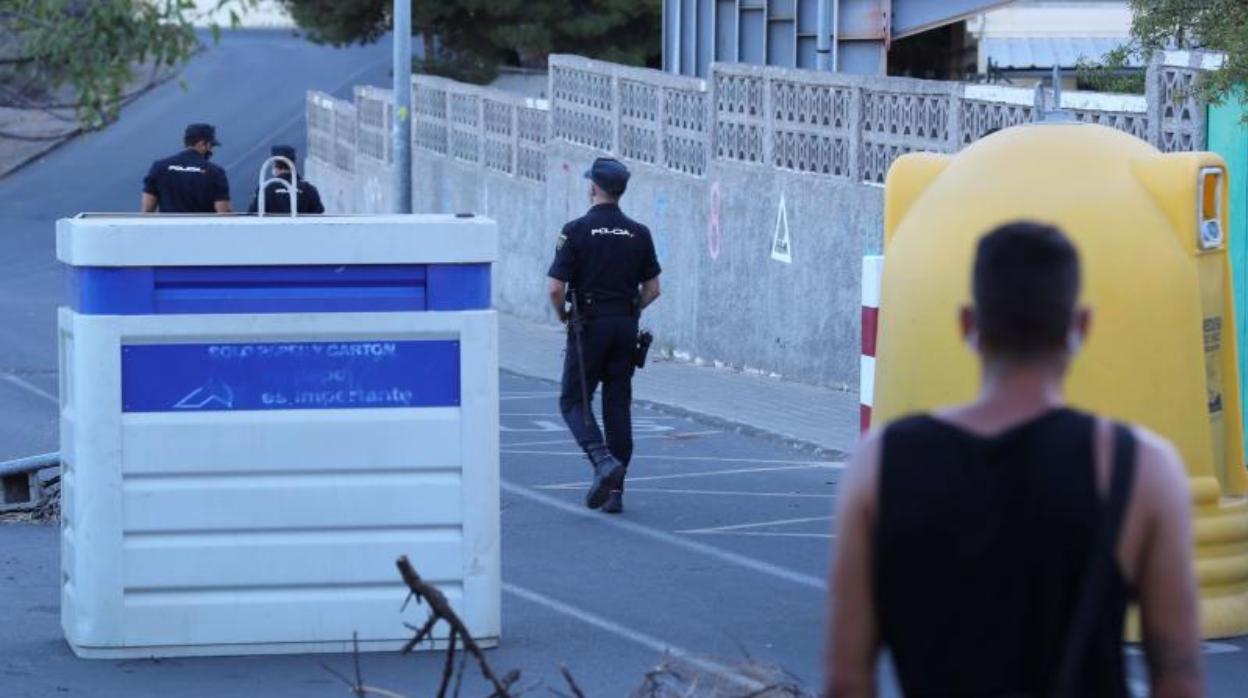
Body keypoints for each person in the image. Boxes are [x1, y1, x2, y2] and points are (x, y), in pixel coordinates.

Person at [825, 222, 1203, 697]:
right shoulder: (1142, 469)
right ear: (1079, 327)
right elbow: (1180, 678)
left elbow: (846, 679)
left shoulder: (879, 464)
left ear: (968, 324)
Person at [546, 157, 662, 514]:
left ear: (593, 187)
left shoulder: (576, 230)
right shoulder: (639, 232)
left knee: (573, 399)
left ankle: (601, 461)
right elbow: (653, 288)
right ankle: (616, 491)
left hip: (590, 325)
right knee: (617, 404)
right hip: (625, 326)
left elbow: (555, 288)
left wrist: (565, 315)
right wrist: (632, 312)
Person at [141, 123, 232, 214]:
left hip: (168, 227)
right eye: (211, 146)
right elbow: (224, 212)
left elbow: (147, 209)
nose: (212, 150)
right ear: (202, 143)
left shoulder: (159, 167)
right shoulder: (215, 172)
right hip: (201, 227)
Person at [248, 145, 325, 215]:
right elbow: (318, 213)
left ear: (274, 164)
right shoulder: (308, 189)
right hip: (301, 230)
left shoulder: (266, 188)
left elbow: (253, 213)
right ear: (293, 163)